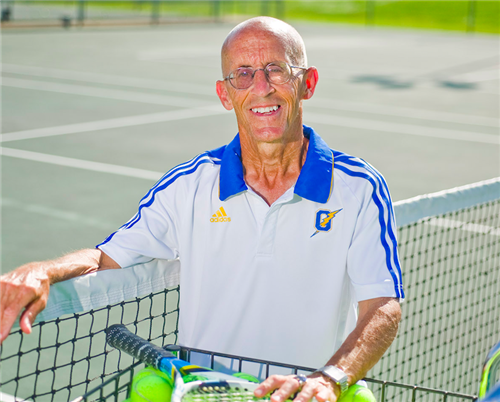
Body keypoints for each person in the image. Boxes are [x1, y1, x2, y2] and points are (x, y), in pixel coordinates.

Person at [0, 17, 403, 402]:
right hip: (205, 394)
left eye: (276, 69)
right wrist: (43, 271)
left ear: (307, 83)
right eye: (242, 74)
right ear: (225, 94)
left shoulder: (360, 188)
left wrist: (329, 379)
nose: (261, 87)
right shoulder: (186, 186)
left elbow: (382, 305)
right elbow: (104, 259)